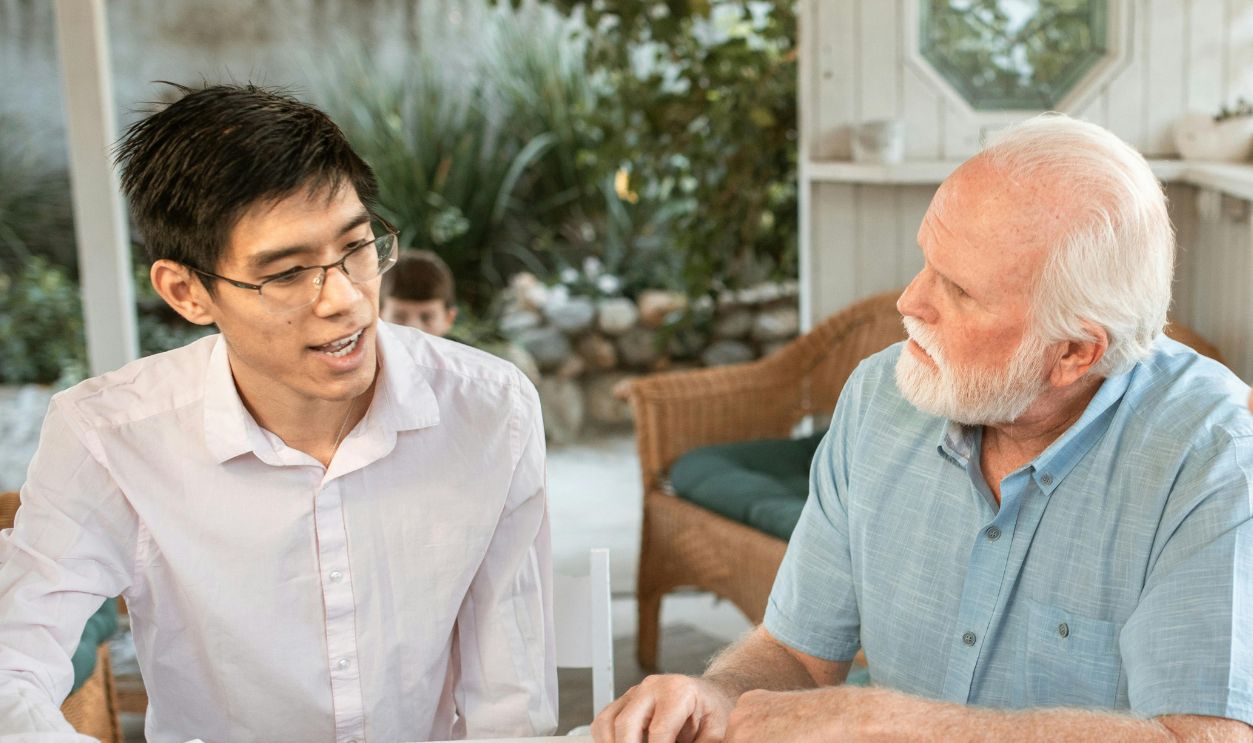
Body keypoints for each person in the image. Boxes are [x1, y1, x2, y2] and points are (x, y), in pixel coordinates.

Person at [594, 115, 1253, 742]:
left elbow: (1199, 737)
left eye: (959, 291)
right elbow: (794, 654)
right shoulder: (880, 394)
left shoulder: (1212, 456)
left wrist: (892, 725)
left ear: (1073, 353)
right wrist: (715, 695)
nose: (909, 301)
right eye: (925, 261)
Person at [0, 84, 557, 741]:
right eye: (287, 273)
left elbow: (510, 706)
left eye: (355, 247)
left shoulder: (489, 409)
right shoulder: (109, 436)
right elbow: (12, 665)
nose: (346, 300)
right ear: (186, 292)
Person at [381, 249, 459, 337]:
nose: (414, 328)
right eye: (399, 316)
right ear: (379, 315)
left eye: (426, 318)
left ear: (449, 319)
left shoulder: (466, 351)